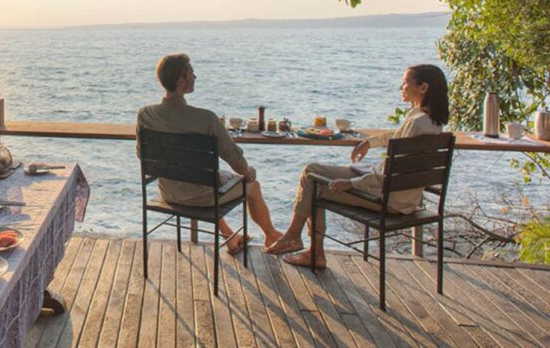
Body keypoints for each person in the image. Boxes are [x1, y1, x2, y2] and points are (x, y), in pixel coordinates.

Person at [266, 63, 450, 269]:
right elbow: (397, 140)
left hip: (389, 199)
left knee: (314, 185)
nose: (401, 87)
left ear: (423, 87)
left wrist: (352, 183)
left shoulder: (417, 122)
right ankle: (298, 240)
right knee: (311, 171)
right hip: (407, 198)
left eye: (406, 83)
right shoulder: (429, 121)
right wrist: (369, 142)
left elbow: (390, 172)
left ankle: (306, 247)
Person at [136, 53, 282, 253]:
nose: (195, 77)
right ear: (181, 81)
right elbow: (235, 160)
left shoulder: (145, 114)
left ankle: (230, 237)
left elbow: (140, 154)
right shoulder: (206, 119)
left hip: (168, 192)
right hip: (202, 197)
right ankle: (271, 235)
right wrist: (248, 171)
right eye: (192, 73)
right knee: (252, 186)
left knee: (205, 180)